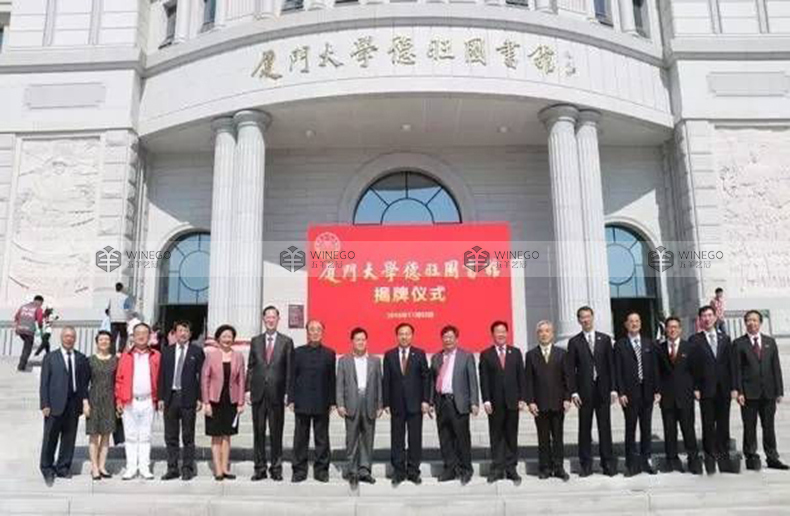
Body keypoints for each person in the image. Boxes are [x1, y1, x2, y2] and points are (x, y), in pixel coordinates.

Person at [732, 310, 788, 471]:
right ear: (745, 323)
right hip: (748, 393)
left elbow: (776, 367)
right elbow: (736, 369)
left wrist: (779, 390)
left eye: (755, 320)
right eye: (749, 320)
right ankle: (751, 457)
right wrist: (739, 391)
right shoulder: (739, 343)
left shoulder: (770, 342)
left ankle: (772, 457)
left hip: (768, 392)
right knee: (749, 427)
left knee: (769, 426)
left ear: (760, 323)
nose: (752, 323)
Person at [566, 306, 617, 477]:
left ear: (593, 317)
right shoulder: (574, 342)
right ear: (579, 320)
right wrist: (573, 392)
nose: (586, 320)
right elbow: (570, 369)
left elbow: (611, 366)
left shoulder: (605, 339)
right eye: (582, 317)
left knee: (605, 428)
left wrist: (613, 389)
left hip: (603, 391)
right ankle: (586, 465)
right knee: (584, 429)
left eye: (588, 316)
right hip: (584, 392)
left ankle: (607, 463)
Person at [689, 304, 737, 474]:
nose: (707, 318)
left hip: (724, 388)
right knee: (708, 424)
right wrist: (695, 387)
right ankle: (709, 456)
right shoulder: (695, 340)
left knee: (724, 423)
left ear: (715, 317)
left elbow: (731, 364)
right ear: (700, 320)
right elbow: (693, 367)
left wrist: (734, 387)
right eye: (704, 316)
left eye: (710, 315)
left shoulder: (725, 339)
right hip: (705, 388)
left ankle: (723, 456)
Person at [247, 305, 294, 481]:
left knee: (276, 432)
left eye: (273, 317)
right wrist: (247, 389)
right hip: (258, 393)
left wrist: (288, 393)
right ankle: (259, 468)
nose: (270, 320)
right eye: (267, 317)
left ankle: (276, 468)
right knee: (258, 432)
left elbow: (289, 370)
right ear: (263, 319)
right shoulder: (255, 341)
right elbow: (251, 367)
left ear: (278, 319)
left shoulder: (286, 342)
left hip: (277, 394)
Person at [39, 326, 90, 486]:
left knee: (69, 438)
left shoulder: (81, 358)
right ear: (61, 338)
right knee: (50, 438)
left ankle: (63, 467)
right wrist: (45, 404)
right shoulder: (50, 357)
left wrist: (84, 402)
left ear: (75, 339)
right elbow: (44, 383)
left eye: (72, 336)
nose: (69, 339)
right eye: (66, 336)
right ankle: (47, 468)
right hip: (54, 405)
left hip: (73, 404)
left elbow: (84, 383)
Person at [429, 325, 479, 485]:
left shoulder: (466, 356)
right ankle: (450, 469)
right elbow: (432, 382)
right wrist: (431, 402)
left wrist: (474, 402)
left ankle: (466, 469)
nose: (448, 340)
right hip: (441, 402)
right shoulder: (436, 358)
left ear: (456, 339)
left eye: (451, 337)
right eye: (445, 337)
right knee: (445, 437)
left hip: (459, 403)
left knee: (462, 438)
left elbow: (472, 380)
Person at [382, 322, 431, 486]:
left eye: (407, 334)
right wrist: (386, 402)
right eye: (401, 334)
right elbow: (386, 380)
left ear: (412, 336)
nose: (404, 336)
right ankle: (398, 471)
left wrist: (426, 400)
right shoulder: (389, 355)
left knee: (415, 439)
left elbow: (426, 378)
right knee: (397, 438)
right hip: (396, 404)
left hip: (416, 404)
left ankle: (413, 471)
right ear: (397, 336)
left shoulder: (420, 354)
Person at [288, 319, 336, 483]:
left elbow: (332, 379)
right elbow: (292, 377)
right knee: (300, 438)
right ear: (307, 332)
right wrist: (291, 398)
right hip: (302, 401)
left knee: (322, 438)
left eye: (318, 330)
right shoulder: (298, 352)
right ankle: (299, 470)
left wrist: (332, 401)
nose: (315, 332)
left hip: (322, 401)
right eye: (312, 329)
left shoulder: (330, 353)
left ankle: (321, 470)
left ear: (322, 333)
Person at [478, 320, 526, 484]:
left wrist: (522, 398)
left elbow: (521, 377)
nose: (500, 334)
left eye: (503, 331)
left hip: (513, 401)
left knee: (512, 435)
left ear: (507, 333)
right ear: (493, 334)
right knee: (496, 436)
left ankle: (511, 469)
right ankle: (497, 468)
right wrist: (486, 400)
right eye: (497, 332)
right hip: (495, 403)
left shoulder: (516, 353)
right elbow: (484, 379)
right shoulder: (486, 354)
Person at [614, 312, 660, 476]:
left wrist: (657, 390)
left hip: (647, 392)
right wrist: (621, 392)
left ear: (640, 323)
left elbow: (655, 368)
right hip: (629, 394)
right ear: (626, 325)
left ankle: (646, 460)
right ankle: (631, 463)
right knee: (631, 429)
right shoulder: (620, 345)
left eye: (637, 321)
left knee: (646, 429)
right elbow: (617, 370)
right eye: (631, 321)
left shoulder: (649, 343)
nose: (634, 324)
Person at [158, 320, 205, 481]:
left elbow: (201, 377)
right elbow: (162, 375)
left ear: (190, 334)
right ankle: (172, 468)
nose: (183, 334)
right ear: (175, 333)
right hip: (170, 397)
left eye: (186, 331)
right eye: (180, 330)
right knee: (170, 436)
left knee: (188, 435)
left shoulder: (196, 352)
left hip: (188, 398)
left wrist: (200, 397)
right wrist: (161, 397)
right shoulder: (167, 351)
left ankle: (187, 468)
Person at [336, 327, 383, 487]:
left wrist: (380, 405)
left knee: (368, 438)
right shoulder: (344, 361)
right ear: (352, 342)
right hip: (351, 402)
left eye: (363, 339)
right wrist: (340, 404)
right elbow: (339, 384)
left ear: (366, 341)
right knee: (352, 438)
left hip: (369, 402)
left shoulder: (375, 361)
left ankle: (365, 470)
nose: (361, 342)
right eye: (357, 339)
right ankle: (352, 471)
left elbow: (379, 384)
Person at [525, 320, 571, 481]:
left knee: (558, 438)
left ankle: (558, 468)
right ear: (537, 335)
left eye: (547, 331)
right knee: (543, 438)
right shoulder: (531, 355)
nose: (544, 334)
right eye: (541, 331)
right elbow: (528, 381)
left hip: (558, 403)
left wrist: (567, 398)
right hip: (539, 404)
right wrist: (530, 401)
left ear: (552, 334)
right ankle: (544, 468)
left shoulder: (562, 353)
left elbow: (567, 378)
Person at [656, 317, 702, 474]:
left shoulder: (689, 347)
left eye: (675, 327)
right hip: (667, 397)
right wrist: (657, 391)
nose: (672, 330)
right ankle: (672, 461)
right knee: (670, 431)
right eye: (670, 327)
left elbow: (696, 371)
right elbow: (657, 373)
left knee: (688, 430)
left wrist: (696, 388)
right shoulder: (659, 348)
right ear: (665, 329)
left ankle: (693, 460)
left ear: (680, 329)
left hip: (685, 396)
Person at [115, 322, 161, 480]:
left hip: (148, 400)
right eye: (138, 333)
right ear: (133, 337)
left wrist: (159, 399)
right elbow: (119, 379)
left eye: (144, 333)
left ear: (149, 336)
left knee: (146, 436)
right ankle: (131, 467)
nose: (141, 336)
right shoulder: (126, 356)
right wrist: (119, 400)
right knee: (130, 436)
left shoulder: (156, 355)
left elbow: (161, 378)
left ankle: (144, 467)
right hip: (129, 401)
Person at [202, 325, 246, 481]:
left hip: (231, 400)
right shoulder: (211, 355)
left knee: (227, 435)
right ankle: (218, 469)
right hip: (214, 400)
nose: (227, 339)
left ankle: (225, 467)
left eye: (230, 336)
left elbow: (241, 380)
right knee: (216, 435)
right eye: (224, 336)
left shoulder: (238, 356)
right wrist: (206, 402)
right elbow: (205, 379)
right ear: (218, 339)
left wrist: (241, 402)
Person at [86, 330, 118, 481]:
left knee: (106, 435)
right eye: (101, 339)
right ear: (97, 342)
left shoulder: (116, 360)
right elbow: (84, 383)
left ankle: (102, 466)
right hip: (94, 400)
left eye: (107, 339)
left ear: (110, 343)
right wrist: (85, 402)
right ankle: (94, 467)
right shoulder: (90, 360)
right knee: (94, 434)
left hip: (110, 400)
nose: (104, 342)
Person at [15, 294, 44, 371]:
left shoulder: (23, 306)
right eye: (42, 303)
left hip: (20, 329)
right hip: (29, 330)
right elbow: (40, 320)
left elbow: (16, 317)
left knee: (27, 344)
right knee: (27, 348)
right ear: (40, 302)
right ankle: (21, 366)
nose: (41, 305)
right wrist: (41, 328)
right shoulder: (38, 308)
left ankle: (22, 362)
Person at [106, 282, 132, 355]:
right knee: (123, 336)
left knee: (113, 337)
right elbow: (127, 309)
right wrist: (129, 318)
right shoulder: (125, 297)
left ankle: (112, 352)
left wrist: (110, 315)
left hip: (113, 319)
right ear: (122, 288)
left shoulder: (111, 297)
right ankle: (120, 351)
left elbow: (107, 308)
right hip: (122, 319)